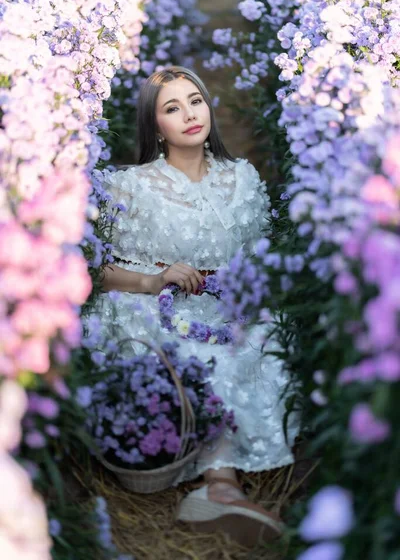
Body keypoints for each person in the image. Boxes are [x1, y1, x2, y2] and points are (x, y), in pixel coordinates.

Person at [95, 66, 297, 547]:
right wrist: (155, 277)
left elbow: (260, 257)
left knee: (268, 341)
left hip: (226, 309)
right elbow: (94, 270)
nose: (189, 114)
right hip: (157, 303)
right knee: (198, 361)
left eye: (196, 101)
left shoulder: (242, 177)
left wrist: (247, 289)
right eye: (171, 108)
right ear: (154, 125)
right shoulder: (131, 186)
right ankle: (221, 487)